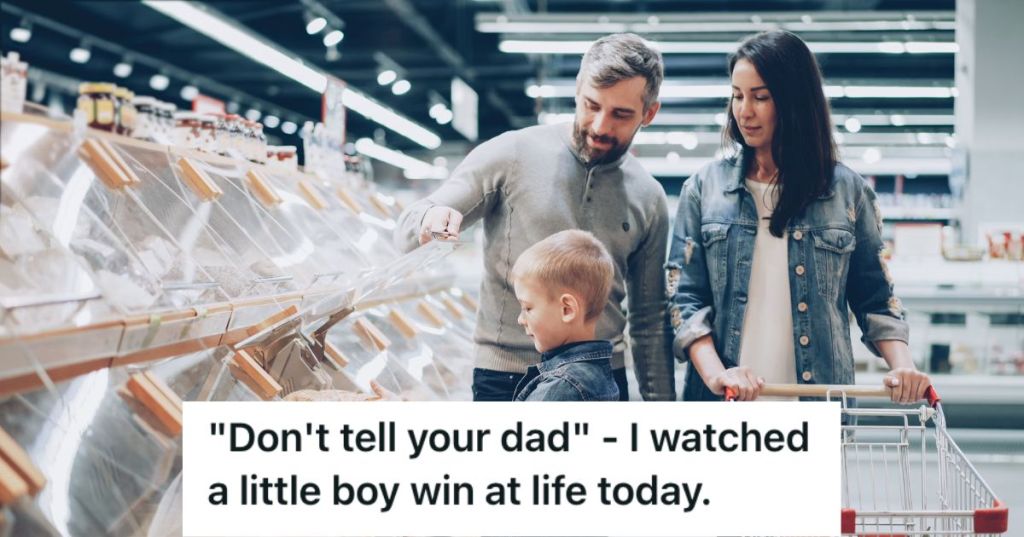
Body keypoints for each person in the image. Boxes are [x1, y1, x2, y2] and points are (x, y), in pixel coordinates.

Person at [395, 33, 675, 402]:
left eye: (621, 115)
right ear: (577, 90)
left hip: (601, 382)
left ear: (649, 113)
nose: (601, 126)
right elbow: (407, 230)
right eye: (592, 105)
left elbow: (649, 321)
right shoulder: (511, 154)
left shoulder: (649, 197)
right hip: (506, 376)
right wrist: (431, 218)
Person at [667, 30, 931, 403]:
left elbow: (875, 297)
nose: (744, 110)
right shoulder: (703, 189)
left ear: (793, 102)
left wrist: (902, 367)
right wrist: (717, 375)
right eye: (737, 96)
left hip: (816, 406)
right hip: (725, 406)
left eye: (761, 97)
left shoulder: (846, 192)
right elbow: (684, 299)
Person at [509, 230, 619, 401]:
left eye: (527, 308)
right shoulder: (596, 374)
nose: (520, 319)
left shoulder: (562, 388)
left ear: (567, 309)